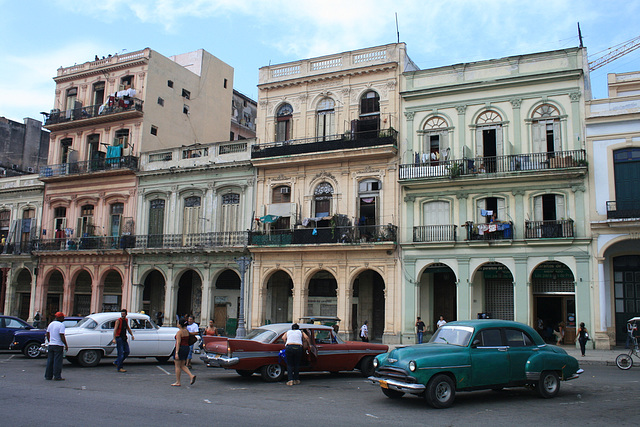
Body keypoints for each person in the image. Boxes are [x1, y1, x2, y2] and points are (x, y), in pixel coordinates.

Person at [172, 318, 196, 387]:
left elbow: (178, 343)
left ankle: (178, 381)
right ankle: (191, 375)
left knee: (177, 366)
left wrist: (176, 352)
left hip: (181, 348)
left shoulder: (179, 332)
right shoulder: (186, 331)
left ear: (179, 324)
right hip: (186, 348)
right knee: (182, 365)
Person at [44, 312, 68, 381]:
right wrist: (66, 344)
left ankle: (48, 376)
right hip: (58, 345)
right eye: (63, 317)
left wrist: (50, 341)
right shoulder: (61, 325)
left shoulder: (51, 324)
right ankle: (57, 376)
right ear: (59, 318)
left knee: (50, 361)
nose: (64, 318)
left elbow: (48, 334)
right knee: (57, 361)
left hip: (51, 344)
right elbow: (62, 335)